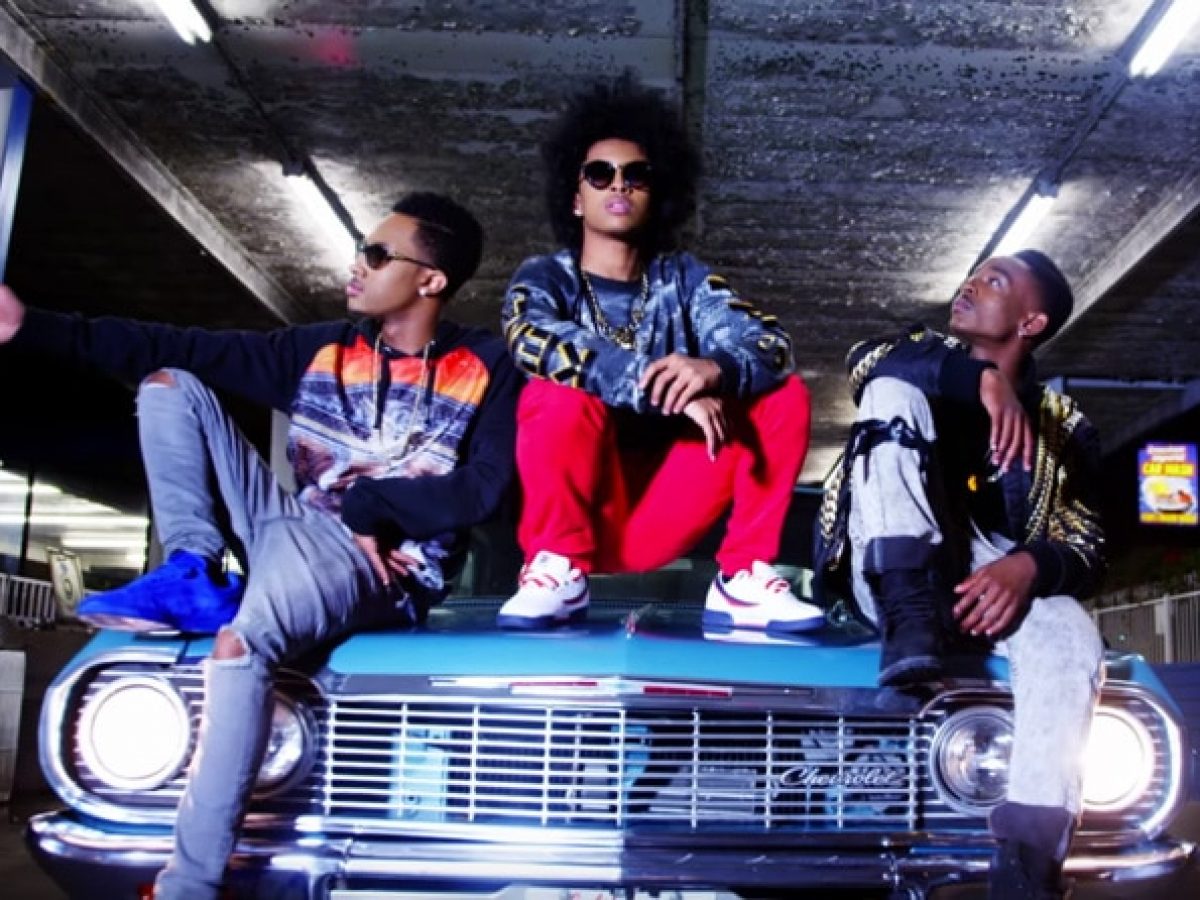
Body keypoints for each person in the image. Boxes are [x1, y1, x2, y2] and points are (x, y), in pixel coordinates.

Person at [0, 192, 521, 899]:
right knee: (171, 384)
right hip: (287, 527)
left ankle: (190, 885)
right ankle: (192, 565)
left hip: (376, 566)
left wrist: (371, 505)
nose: (357, 265)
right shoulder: (320, 351)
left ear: (431, 279)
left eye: (376, 254)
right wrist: (30, 326)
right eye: (361, 250)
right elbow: (174, 342)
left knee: (239, 650)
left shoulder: (488, 366)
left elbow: (485, 488)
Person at [814, 249, 1106, 899]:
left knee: (1070, 634)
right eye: (972, 275)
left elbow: (1088, 544)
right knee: (891, 391)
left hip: (982, 577)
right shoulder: (913, 357)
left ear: (1031, 322)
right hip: (886, 563)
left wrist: (1029, 565)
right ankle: (910, 625)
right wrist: (979, 379)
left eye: (993, 281)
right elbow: (866, 360)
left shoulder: (1063, 427)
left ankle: (1029, 865)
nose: (970, 285)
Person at [497, 74, 822, 634]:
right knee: (556, 393)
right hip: (582, 510)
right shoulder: (546, 277)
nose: (619, 184)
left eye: (636, 174)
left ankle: (743, 575)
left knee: (783, 393)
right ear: (576, 198)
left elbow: (771, 344)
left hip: (668, 505)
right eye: (600, 174)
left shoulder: (685, 280)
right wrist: (664, 387)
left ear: (655, 194)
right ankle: (555, 571)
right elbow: (533, 338)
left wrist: (715, 370)